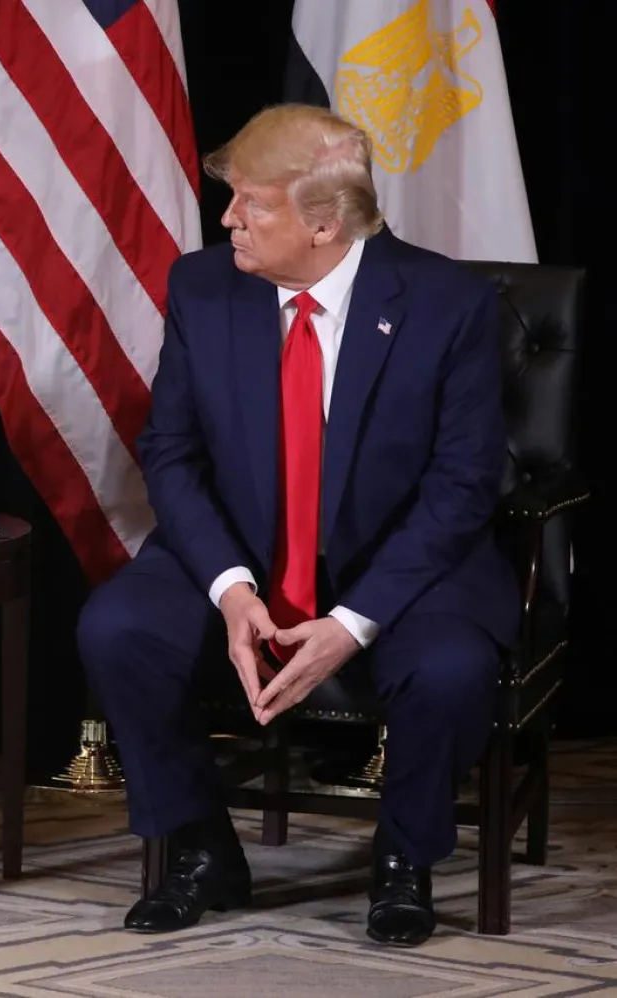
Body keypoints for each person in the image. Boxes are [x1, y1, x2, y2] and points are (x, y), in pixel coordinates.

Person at [77, 103, 517, 947]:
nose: (229, 218)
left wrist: (354, 623)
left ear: (324, 225)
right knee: (119, 627)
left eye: (252, 203)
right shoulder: (203, 286)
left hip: (398, 561)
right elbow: (169, 451)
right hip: (240, 548)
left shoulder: (445, 302)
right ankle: (203, 848)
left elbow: (463, 486)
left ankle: (402, 858)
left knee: (453, 666)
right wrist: (232, 590)